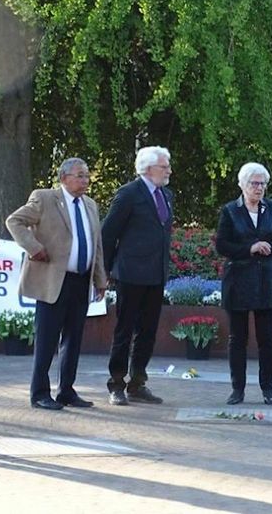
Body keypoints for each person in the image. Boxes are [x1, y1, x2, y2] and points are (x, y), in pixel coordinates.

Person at [6, 158, 107, 410]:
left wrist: (100, 278)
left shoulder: (90, 205)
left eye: (86, 176)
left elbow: (97, 245)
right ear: (64, 178)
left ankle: (66, 391)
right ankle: (39, 393)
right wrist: (33, 247)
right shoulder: (45, 198)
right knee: (47, 339)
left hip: (81, 280)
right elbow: (14, 221)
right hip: (53, 279)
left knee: (73, 340)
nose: (85, 181)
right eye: (79, 176)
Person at [100, 145, 174, 405]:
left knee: (148, 332)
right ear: (148, 168)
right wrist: (105, 271)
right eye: (164, 166)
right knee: (124, 330)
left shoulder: (166, 195)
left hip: (155, 274)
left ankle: (138, 383)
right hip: (130, 274)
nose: (168, 171)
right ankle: (116, 384)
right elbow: (108, 233)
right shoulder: (129, 194)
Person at [215, 162, 272, 405]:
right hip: (238, 280)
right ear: (242, 185)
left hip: (266, 280)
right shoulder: (229, 211)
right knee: (238, 338)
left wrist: (271, 249)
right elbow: (222, 245)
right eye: (254, 183)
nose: (259, 188)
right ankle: (238, 389)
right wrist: (250, 248)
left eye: (263, 184)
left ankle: (268, 388)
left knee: (267, 339)